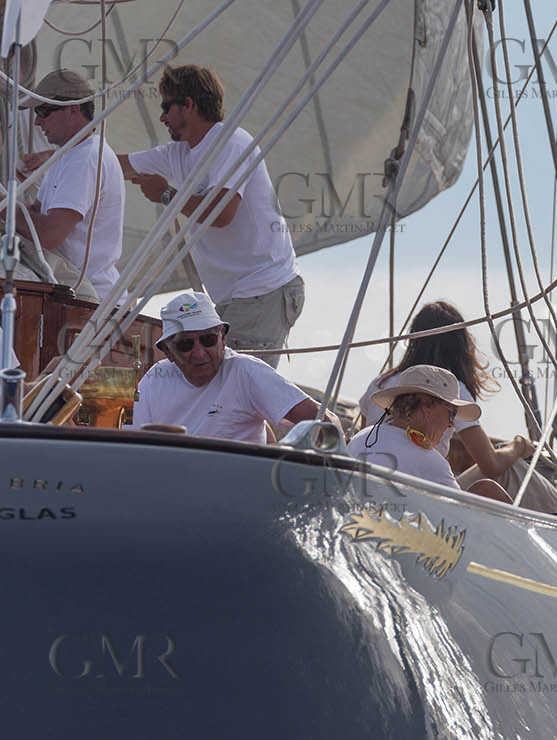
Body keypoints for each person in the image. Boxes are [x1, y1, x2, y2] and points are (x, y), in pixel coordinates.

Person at [118, 65, 303, 366]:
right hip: (240, 298)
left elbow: (222, 211)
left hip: (262, 292)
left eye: (166, 107)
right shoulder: (177, 153)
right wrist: (55, 159)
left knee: (238, 394)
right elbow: (117, 166)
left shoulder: (230, 141)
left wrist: (166, 194)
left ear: (188, 104)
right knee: (230, 392)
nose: (162, 117)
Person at [358, 301, 532, 479]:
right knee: (510, 470)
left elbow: (366, 432)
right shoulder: (451, 390)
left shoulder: (380, 383)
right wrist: (519, 446)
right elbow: (491, 465)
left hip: (372, 479)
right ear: (460, 347)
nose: (450, 423)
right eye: (452, 414)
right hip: (422, 483)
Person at [133, 291, 317, 442]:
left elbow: (322, 420)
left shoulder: (246, 371)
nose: (199, 352)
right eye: (185, 345)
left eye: (208, 340)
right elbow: (132, 443)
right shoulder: (154, 379)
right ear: (168, 352)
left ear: (223, 338)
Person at [16, 69, 122, 300]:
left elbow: (49, 234)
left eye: (43, 110)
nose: (37, 121)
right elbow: (40, 214)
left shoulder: (86, 158)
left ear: (74, 109)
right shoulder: (69, 155)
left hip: (88, 301)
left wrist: (6, 208)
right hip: (73, 294)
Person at [348, 365, 481, 490]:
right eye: (452, 414)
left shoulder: (362, 437)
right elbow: (458, 513)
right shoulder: (432, 463)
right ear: (426, 405)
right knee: (488, 489)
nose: (451, 424)